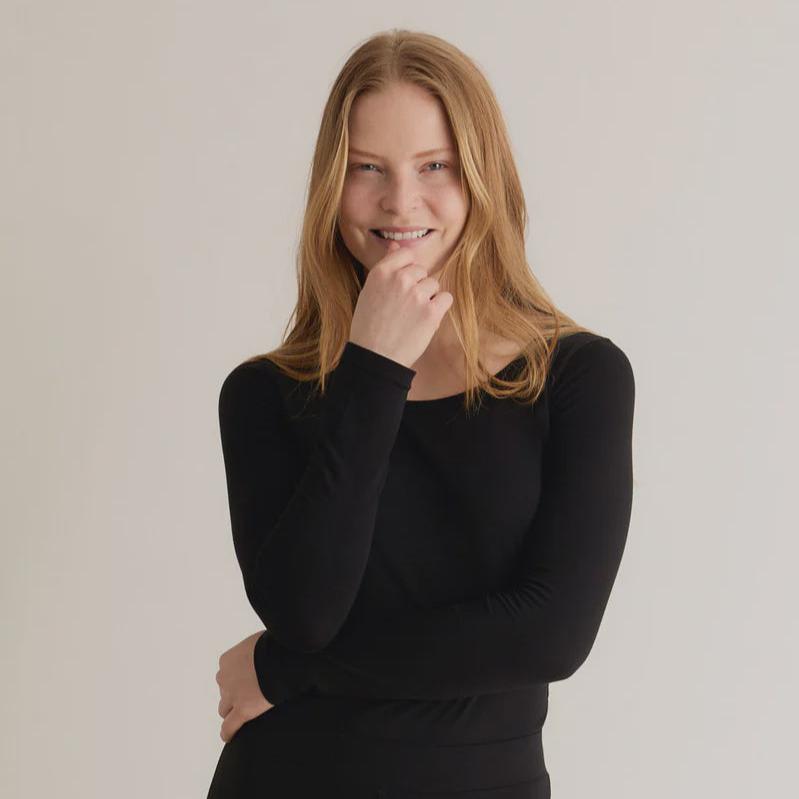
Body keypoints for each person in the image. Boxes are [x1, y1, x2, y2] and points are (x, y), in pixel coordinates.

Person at [206, 28, 635, 799]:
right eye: (366, 168)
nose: (399, 201)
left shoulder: (575, 377)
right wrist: (373, 372)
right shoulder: (265, 393)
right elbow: (304, 608)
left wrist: (284, 668)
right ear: (331, 185)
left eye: (432, 165)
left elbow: (550, 633)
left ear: (480, 178)